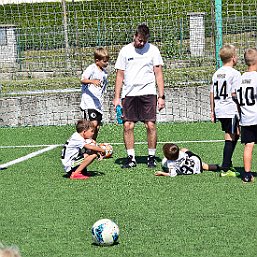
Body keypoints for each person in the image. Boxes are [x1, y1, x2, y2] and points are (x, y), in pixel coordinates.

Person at [113, 23, 165, 169]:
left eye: (144, 40)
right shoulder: (125, 51)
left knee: (150, 125)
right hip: (129, 94)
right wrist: (117, 97)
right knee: (128, 126)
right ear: (134, 36)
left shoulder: (153, 50)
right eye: (139, 40)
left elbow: (158, 74)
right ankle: (131, 158)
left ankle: (151, 157)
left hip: (148, 93)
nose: (141, 43)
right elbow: (120, 75)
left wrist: (161, 96)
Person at [210, 44, 241, 177]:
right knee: (230, 135)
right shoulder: (235, 74)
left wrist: (212, 111)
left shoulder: (217, 73)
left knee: (235, 133)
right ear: (233, 58)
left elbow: (211, 92)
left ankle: (228, 162)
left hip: (220, 108)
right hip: (231, 108)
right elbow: (237, 93)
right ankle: (225, 167)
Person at [234, 48, 257, 183]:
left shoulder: (240, 78)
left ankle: (247, 174)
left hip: (246, 117)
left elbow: (236, 98)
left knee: (248, 145)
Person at [80, 47, 109, 140]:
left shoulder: (104, 73)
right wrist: (92, 81)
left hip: (98, 103)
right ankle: (85, 145)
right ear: (97, 61)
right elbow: (82, 79)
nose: (106, 63)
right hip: (89, 102)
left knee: (97, 127)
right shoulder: (92, 68)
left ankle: (92, 145)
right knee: (92, 124)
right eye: (104, 61)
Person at [155, 143, 219, 177]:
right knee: (184, 149)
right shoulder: (181, 153)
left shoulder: (170, 164)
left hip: (192, 170)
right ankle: (220, 167)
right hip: (195, 160)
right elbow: (184, 152)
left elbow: (173, 174)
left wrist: (162, 173)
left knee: (203, 166)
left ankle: (217, 167)